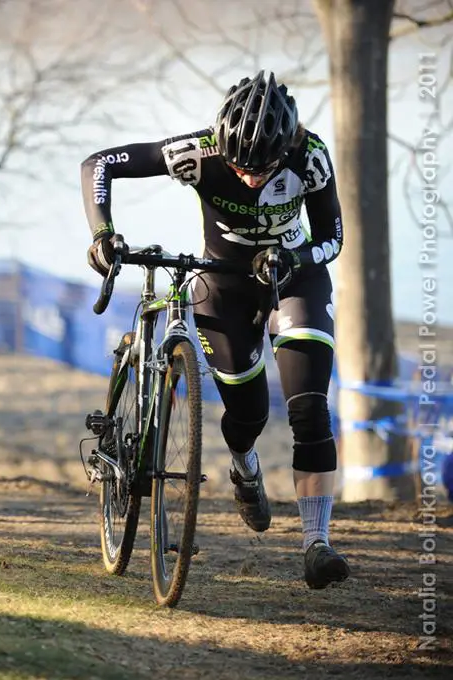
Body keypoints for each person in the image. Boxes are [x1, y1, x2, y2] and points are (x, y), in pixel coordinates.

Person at [80, 70, 349, 589]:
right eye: (238, 166)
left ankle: (317, 544)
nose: (248, 177)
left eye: (261, 167)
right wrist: (103, 235)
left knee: (309, 409)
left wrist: (293, 255)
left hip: (294, 278)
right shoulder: (198, 152)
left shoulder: (309, 157)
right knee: (246, 413)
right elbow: (98, 165)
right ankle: (244, 465)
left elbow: (333, 237)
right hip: (221, 286)